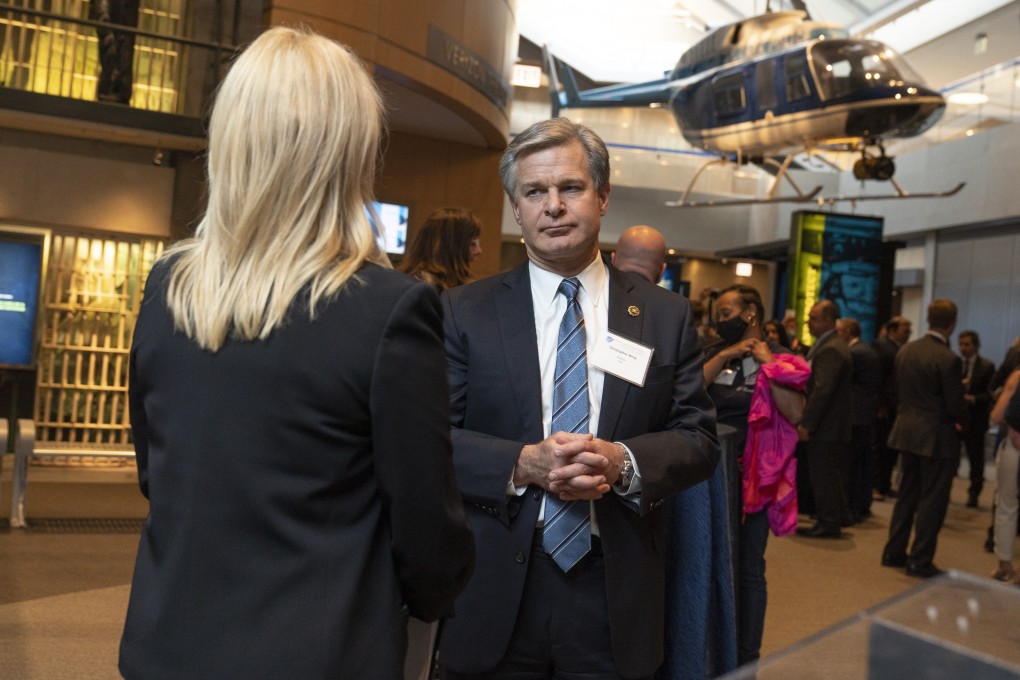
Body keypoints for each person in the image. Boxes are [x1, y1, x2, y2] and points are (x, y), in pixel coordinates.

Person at [118, 28, 475, 680]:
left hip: (166, 645)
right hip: (319, 652)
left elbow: (156, 473)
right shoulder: (386, 309)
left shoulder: (167, 288)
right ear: (350, 152)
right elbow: (426, 532)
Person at [438, 117, 719, 680]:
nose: (554, 206)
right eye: (534, 192)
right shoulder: (464, 312)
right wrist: (521, 463)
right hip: (494, 587)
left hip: (612, 590)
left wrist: (624, 463)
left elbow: (698, 437)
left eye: (570, 188)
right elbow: (429, 438)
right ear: (516, 208)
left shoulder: (663, 317)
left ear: (603, 195)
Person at [702, 284, 808, 665]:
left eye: (727, 313)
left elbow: (795, 413)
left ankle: (746, 660)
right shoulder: (715, 353)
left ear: (750, 313)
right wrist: (728, 352)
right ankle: (710, 652)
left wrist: (769, 364)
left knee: (748, 568)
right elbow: (690, 391)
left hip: (754, 481)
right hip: (710, 477)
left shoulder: (783, 358)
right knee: (709, 564)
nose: (720, 321)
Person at [880, 299, 966, 578]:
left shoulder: (906, 350)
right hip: (937, 437)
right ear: (952, 323)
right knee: (932, 500)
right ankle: (919, 559)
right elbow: (954, 406)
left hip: (906, 431)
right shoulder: (949, 359)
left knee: (907, 495)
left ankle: (894, 551)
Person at [795, 300, 853, 539]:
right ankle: (835, 516)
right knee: (829, 474)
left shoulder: (831, 348)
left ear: (830, 320)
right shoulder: (828, 344)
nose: (809, 323)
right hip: (830, 424)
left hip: (826, 425)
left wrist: (807, 423)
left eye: (814, 319)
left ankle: (828, 523)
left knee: (824, 476)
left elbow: (823, 390)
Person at [836, 317, 880, 523]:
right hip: (863, 415)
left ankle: (851, 509)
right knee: (860, 464)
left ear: (847, 332)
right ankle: (859, 506)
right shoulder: (865, 349)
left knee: (850, 465)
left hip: (855, 415)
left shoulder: (855, 353)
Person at [872, 316, 912, 500]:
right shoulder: (882, 346)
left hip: (896, 405)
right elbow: (878, 378)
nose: (908, 334)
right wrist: (880, 404)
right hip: (885, 406)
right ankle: (878, 486)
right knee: (882, 447)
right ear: (893, 331)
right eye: (905, 330)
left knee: (891, 449)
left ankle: (885, 485)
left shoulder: (900, 348)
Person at [399, 207, 483, 291]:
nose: (479, 251)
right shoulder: (426, 285)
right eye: (473, 244)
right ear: (451, 245)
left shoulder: (443, 282)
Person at [988, 368, 1020, 584]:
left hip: (1015, 444)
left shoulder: (1018, 376)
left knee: (1007, 505)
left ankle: (1004, 563)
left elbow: (998, 414)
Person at [958, 329, 995, 507]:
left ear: (976, 346)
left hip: (976, 420)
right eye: (961, 344)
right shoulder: (955, 364)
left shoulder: (986, 366)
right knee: (949, 459)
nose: (963, 348)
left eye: (967, 344)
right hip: (956, 420)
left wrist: (972, 398)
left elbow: (990, 394)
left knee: (976, 460)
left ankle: (974, 494)